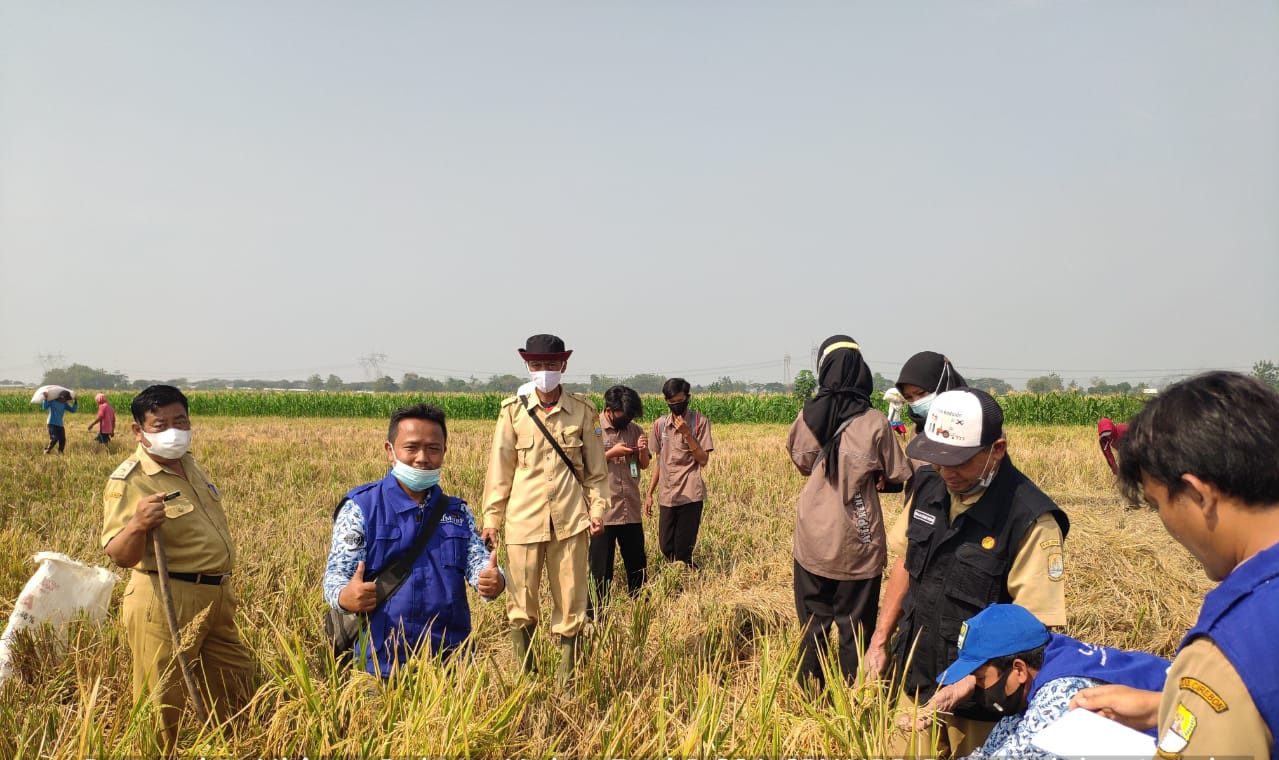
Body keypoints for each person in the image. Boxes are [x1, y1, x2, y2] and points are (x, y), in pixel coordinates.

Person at [1068, 371, 1279, 759]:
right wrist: (1161, 703)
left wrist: (1195, 695)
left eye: (1156, 504)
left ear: (1199, 495)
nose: (1163, 523)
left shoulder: (1227, 652)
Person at [864, 388, 1070, 757]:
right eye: (938, 460)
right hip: (919, 678)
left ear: (997, 449)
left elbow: (1034, 629)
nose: (946, 472)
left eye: (959, 462)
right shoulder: (928, 485)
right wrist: (880, 640)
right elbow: (905, 564)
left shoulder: (1029, 519)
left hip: (984, 707)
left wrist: (969, 683)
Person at [100, 385, 252, 752]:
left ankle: (227, 747)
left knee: (236, 682)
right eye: (160, 425)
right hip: (165, 599)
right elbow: (118, 553)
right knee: (162, 699)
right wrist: (137, 524)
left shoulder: (189, 464)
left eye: (180, 421)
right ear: (138, 431)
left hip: (217, 594)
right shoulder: (131, 479)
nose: (173, 431)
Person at [323, 404, 505, 677]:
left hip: (450, 661)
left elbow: (479, 563)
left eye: (433, 448)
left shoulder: (456, 512)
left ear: (445, 451)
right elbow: (336, 575)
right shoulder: (361, 507)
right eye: (411, 448)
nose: (422, 458)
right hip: (381, 661)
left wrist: (493, 580)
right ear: (390, 451)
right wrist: (345, 596)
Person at [786, 335, 912, 692]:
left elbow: (801, 462)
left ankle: (811, 692)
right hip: (859, 538)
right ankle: (856, 697)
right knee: (856, 627)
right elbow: (899, 475)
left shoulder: (808, 415)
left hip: (812, 535)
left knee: (812, 623)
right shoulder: (876, 422)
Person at [480, 334, 608, 683]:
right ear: (527, 366)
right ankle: (526, 678)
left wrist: (597, 511)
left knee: (571, 602)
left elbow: (597, 472)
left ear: (563, 366)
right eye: (537, 365)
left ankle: (567, 679)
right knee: (521, 604)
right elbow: (500, 471)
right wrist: (492, 518)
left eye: (551, 365)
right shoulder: (513, 412)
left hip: (570, 522)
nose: (544, 372)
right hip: (523, 522)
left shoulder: (584, 411)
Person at [936, 604, 1169, 759]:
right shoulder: (1041, 655)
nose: (977, 688)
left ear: (1018, 669)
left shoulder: (1061, 698)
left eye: (979, 678)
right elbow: (995, 750)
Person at [588, 384, 650, 620]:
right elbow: (585, 467)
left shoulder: (634, 429)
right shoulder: (593, 431)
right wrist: (611, 453)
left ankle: (641, 610)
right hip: (603, 510)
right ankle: (595, 615)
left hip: (630, 508)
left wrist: (642, 450)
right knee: (600, 568)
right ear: (609, 410)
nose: (628, 420)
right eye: (624, 415)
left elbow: (643, 464)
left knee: (637, 564)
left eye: (631, 416)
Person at [644, 377, 714, 568]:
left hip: (690, 492)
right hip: (668, 494)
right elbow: (659, 461)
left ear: (688, 398)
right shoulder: (660, 425)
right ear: (666, 401)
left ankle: (684, 582)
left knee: (683, 549)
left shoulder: (700, 422)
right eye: (671, 402)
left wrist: (687, 434)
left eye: (680, 400)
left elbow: (703, 460)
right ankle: (685, 572)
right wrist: (649, 493)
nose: (676, 405)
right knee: (666, 547)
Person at [895, 351, 967, 435]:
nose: (916, 402)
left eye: (921, 393)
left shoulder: (973, 424)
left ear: (943, 385)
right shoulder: (917, 429)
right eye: (909, 397)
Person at [41, 388, 77, 454]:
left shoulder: (64, 404)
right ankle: (47, 450)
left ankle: (60, 452)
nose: (66, 401)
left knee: (63, 439)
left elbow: (73, 410)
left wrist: (75, 401)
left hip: (60, 424)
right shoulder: (52, 401)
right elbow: (44, 407)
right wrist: (45, 398)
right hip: (51, 423)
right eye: (65, 399)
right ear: (61, 397)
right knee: (54, 437)